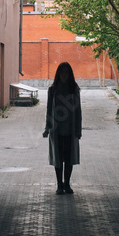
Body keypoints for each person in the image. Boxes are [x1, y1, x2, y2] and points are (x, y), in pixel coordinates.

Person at [42, 61, 82, 194]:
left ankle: (67, 184)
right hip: (56, 130)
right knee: (58, 158)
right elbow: (49, 109)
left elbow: (78, 111)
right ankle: (59, 184)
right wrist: (47, 128)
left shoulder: (74, 89)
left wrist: (78, 129)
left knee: (69, 158)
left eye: (67, 73)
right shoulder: (53, 90)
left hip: (70, 129)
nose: (64, 75)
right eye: (62, 73)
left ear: (70, 75)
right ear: (58, 74)